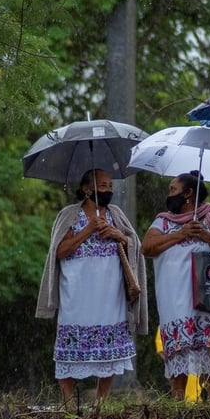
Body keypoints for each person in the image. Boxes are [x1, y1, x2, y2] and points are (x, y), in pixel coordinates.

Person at [36, 169, 148, 406]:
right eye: (102, 186)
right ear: (87, 189)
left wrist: (119, 235)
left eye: (110, 186)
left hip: (110, 293)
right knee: (68, 346)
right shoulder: (70, 215)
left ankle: (101, 403)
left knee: (109, 350)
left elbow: (134, 244)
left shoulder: (116, 214)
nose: (108, 190)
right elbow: (58, 251)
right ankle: (68, 402)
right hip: (76, 293)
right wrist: (88, 230)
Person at [142, 171, 210, 401]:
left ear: (189, 193)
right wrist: (181, 234)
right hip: (175, 300)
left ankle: (209, 405)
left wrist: (207, 235)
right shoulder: (163, 221)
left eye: (173, 189)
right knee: (179, 350)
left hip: (209, 296)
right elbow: (147, 247)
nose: (169, 194)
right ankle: (178, 404)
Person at [154, 314, 210, 406]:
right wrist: (162, 340)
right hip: (186, 334)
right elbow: (172, 305)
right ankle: (182, 412)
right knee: (187, 393)